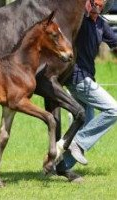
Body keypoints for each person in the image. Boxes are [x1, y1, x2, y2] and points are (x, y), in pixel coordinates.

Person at [57, 0, 117, 181]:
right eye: (95, 4)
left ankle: (59, 166)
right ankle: (79, 143)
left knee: (86, 121)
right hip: (77, 78)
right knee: (114, 110)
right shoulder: (78, 20)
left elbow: (115, 41)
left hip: (87, 77)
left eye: (101, 6)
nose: (97, 8)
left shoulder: (100, 24)